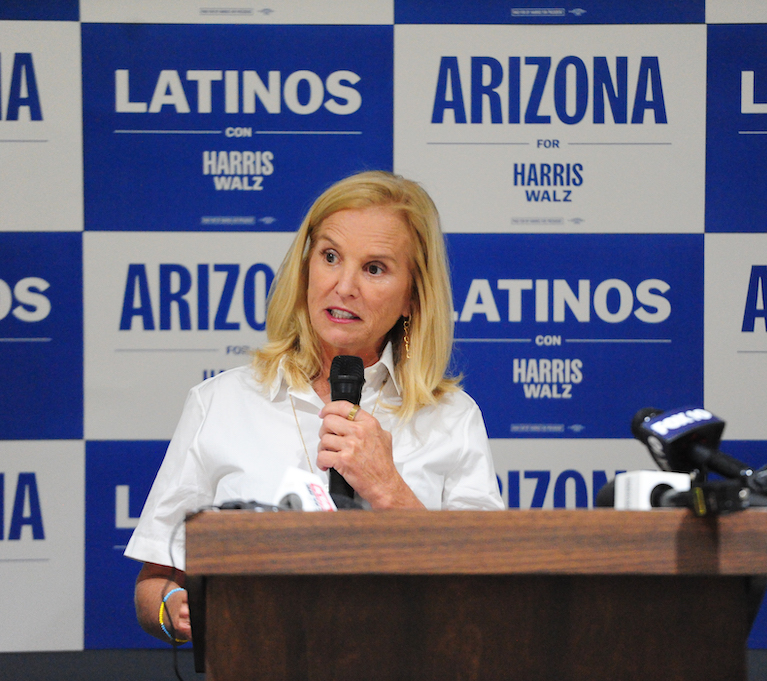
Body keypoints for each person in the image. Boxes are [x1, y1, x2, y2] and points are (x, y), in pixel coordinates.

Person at [124, 170, 504, 644]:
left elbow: (488, 597)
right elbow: (155, 583)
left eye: (374, 268)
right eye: (330, 257)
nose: (344, 286)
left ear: (411, 295)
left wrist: (390, 491)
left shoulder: (452, 418)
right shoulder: (220, 402)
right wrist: (174, 609)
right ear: (306, 269)